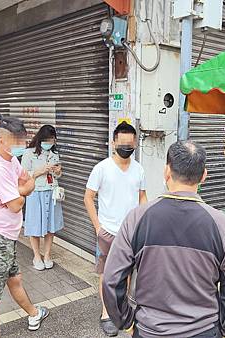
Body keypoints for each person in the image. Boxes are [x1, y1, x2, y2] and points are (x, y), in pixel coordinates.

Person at [103, 141, 225, 338]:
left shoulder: (137, 219)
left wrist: (125, 321)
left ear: (166, 172)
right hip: (204, 332)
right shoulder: (223, 226)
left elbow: (112, 279)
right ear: (204, 175)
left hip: (149, 331)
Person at [0, 117, 49, 338]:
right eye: (17, 141)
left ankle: (34, 313)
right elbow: (16, 205)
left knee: (15, 279)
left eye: (23, 140)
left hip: (5, 238)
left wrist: (19, 190)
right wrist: (19, 192)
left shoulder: (11, 160)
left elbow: (28, 182)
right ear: (2, 139)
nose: (22, 145)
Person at [84, 121, 147, 337]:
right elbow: (88, 198)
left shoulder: (138, 169)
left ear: (135, 143)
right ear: (113, 143)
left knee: (127, 273)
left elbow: (142, 197)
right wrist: (98, 227)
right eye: (122, 144)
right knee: (105, 274)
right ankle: (106, 312)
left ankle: (122, 308)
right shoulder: (101, 168)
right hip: (108, 232)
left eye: (130, 144)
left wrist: (143, 220)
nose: (126, 148)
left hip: (130, 233)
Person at [21, 125, 63, 271]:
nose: (49, 142)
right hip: (35, 192)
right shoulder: (29, 153)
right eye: (47, 140)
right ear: (40, 139)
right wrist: (40, 171)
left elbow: (58, 175)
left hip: (52, 193)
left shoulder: (54, 153)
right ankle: (36, 256)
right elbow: (23, 175)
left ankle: (47, 255)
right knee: (35, 226)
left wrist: (58, 171)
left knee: (51, 226)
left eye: (52, 140)